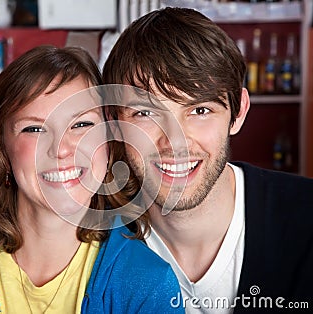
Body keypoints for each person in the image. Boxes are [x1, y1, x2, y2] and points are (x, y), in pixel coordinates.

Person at [0, 45, 184, 313]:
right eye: (34, 128)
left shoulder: (148, 284)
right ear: (1, 148)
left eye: (82, 125)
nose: (61, 149)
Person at [102, 7, 313, 314]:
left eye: (200, 111)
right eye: (145, 113)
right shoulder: (90, 245)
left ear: (238, 112)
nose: (174, 142)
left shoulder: (306, 221)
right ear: (115, 122)